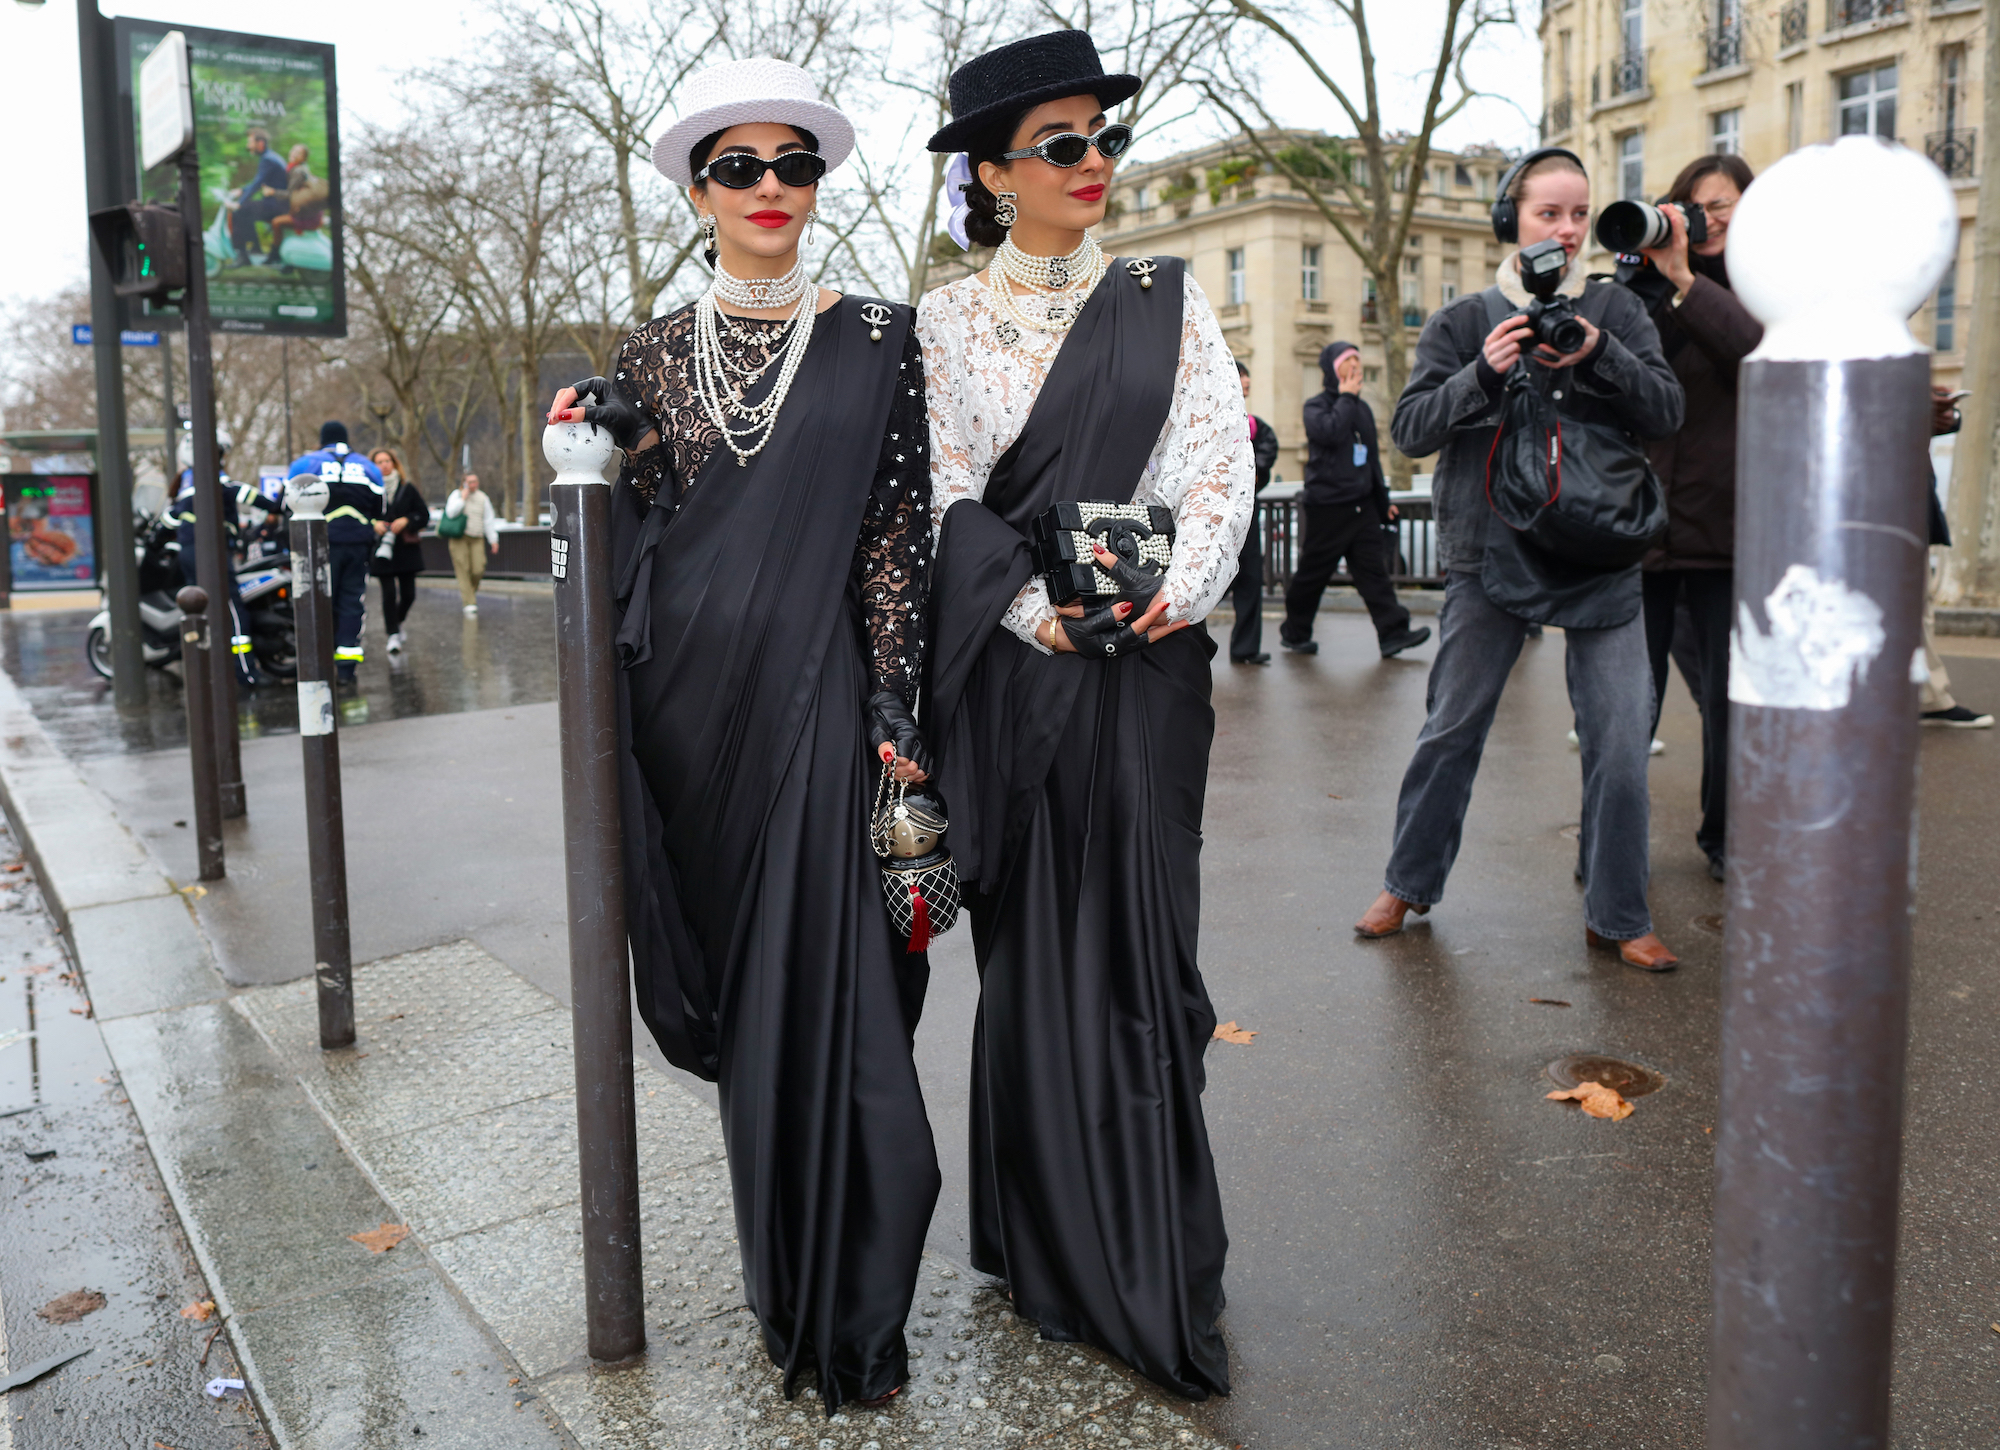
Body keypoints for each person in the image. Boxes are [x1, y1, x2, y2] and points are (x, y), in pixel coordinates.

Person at [546, 55, 938, 1414]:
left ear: (819, 183)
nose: (771, 189)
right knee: (762, 1019)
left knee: (843, 1002)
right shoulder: (652, 349)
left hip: (823, 699)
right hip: (691, 715)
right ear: (699, 190)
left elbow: (895, 536)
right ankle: (791, 1295)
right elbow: (645, 535)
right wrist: (592, 441)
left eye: (795, 166)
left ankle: (861, 1308)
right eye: (740, 168)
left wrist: (895, 703)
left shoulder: (887, 337)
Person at [919, 29, 1251, 1400]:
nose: (1096, 163)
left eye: (1105, 138)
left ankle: (1151, 1254)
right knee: (1041, 957)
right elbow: (939, 494)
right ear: (997, 173)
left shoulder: (1171, 297)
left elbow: (1220, 456)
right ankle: (1048, 1241)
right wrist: (1029, 614)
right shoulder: (936, 323)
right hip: (1023, 679)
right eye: (1063, 144)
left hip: (1149, 667)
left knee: (1146, 950)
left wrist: (1179, 586)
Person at [1354, 148, 1685, 971]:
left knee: (1617, 740)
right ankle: (1409, 881)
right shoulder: (1466, 321)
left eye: (1579, 215)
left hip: (1602, 552)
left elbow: (1668, 410)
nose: (1568, 232)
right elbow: (1410, 431)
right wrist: (1483, 373)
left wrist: (1600, 353)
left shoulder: (1616, 309)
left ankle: (1618, 914)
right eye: (1549, 214)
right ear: (1512, 221)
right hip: (1490, 550)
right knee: (1451, 729)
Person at [1618, 152, 1763, 882]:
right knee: (1625, 704)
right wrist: (1640, 274)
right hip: (1642, 527)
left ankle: (1727, 838)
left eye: (1727, 206)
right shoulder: (1644, 284)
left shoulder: (1767, 288)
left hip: (1726, 528)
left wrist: (1685, 281)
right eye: (1697, 206)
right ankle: (1611, 844)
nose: (1711, 218)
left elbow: (1756, 355)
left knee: (1728, 701)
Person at [1279, 342, 1431, 658]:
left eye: (1358, 361)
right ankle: (1295, 633)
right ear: (1333, 369)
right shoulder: (1316, 406)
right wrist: (1347, 397)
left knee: (1373, 573)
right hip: (1328, 508)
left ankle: (1393, 633)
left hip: (1362, 508)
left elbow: (1372, 460)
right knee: (1312, 575)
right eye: (1349, 360)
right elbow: (1330, 433)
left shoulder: (1363, 409)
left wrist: (1383, 499)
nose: (1356, 366)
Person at [285, 421, 382, 685]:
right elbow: (379, 508)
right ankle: (347, 669)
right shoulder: (367, 466)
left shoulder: (305, 464)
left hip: (318, 543)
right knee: (351, 602)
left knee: (318, 600)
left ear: (322, 439)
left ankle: (319, 663)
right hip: (358, 544)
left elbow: (287, 503)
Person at [1922, 386, 1993, 727]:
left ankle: (1928, 697)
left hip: (1906, 496)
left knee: (1918, 606)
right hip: (1867, 500)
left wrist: (1944, 415)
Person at [172, 427, 261, 687]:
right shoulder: (218, 482)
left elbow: (168, 520)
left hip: (189, 551)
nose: (221, 458)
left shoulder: (184, 484)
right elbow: (257, 499)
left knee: (199, 609)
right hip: (212, 551)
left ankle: (208, 670)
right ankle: (244, 672)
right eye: (218, 452)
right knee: (232, 609)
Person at [1228, 357, 1280, 663]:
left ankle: (1245, 648)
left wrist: (1254, 470)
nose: (1246, 382)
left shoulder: (1253, 424)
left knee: (1249, 581)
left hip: (1246, 515)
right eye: (1241, 376)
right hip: (1215, 515)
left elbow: (1268, 451)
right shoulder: (1207, 419)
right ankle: (1189, 651)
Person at [369, 448, 430, 654]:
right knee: (388, 594)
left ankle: (397, 621)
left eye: (388, 461)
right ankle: (393, 634)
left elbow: (423, 515)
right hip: (381, 551)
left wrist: (407, 520)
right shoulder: (370, 490)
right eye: (379, 462)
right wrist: (373, 523)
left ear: (395, 464)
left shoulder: (407, 488)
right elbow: (362, 515)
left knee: (408, 595)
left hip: (405, 550)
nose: (384, 465)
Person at [229, 127, 291, 266]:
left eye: (250, 142)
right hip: (278, 204)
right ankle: (255, 247)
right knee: (248, 209)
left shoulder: (267, 160)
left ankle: (243, 256)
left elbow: (257, 183)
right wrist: (241, 190)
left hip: (277, 206)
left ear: (260, 143)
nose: (248, 146)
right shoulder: (270, 157)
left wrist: (240, 202)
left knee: (239, 211)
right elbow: (259, 181)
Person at [439, 474, 500, 615]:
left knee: (479, 568)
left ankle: (469, 594)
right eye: (470, 482)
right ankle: (469, 602)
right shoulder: (457, 495)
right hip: (459, 537)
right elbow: (450, 513)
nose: (474, 484)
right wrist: (463, 498)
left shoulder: (483, 498)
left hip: (477, 537)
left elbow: (488, 520)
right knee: (463, 568)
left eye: (475, 481)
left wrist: (493, 540)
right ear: (464, 483)